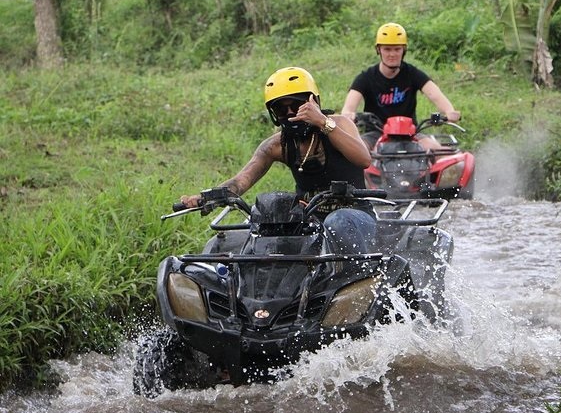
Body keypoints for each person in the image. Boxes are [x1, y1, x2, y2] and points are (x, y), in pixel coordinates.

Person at [180, 66, 376, 253]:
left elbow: (363, 159)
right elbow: (242, 180)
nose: (291, 113)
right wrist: (206, 197)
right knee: (260, 227)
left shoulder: (339, 124)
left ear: (313, 102)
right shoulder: (276, 145)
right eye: (282, 110)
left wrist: (322, 122)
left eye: (297, 106)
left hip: (355, 215)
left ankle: (354, 280)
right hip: (308, 220)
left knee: (337, 221)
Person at [341, 22, 461, 152]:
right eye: (387, 49)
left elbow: (434, 94)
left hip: (410, 132)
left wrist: (449, 111)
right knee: (356, 152)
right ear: (378, 50)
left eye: (397, 49)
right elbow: (349, 105)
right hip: (375, 133)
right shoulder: (366, 77)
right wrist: (348, 114)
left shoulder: (412, 73)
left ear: (404, 50)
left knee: (440, 152)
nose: (392, 54)